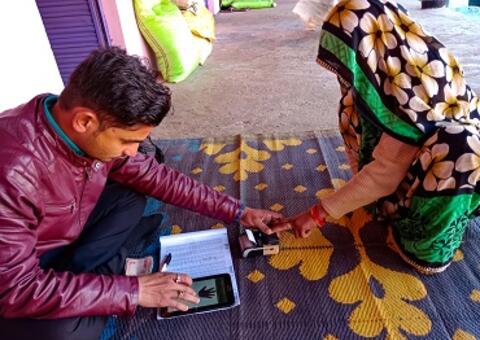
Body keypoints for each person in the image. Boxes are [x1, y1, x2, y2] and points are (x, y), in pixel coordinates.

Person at [0, 47, 282, 340]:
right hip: (18, 279)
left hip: (60, 239)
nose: (133, 152)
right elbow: (16, 289)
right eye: (127, 140)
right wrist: (135, 291)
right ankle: (96, 283)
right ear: (84, 121)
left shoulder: (76, 126)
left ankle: (88, 284)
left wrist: (239, 212)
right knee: (64, 334)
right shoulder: (12, 173)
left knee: (130, 197)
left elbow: (158, 178)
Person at [273, 0, 480, 274]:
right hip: (446, 179)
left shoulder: (409, 96)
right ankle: (441, 207)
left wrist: (317, 214)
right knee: (353, 104)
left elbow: (383, 176)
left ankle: (423, 244)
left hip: (450, 172)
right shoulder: (423, 58)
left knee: (460, 146)